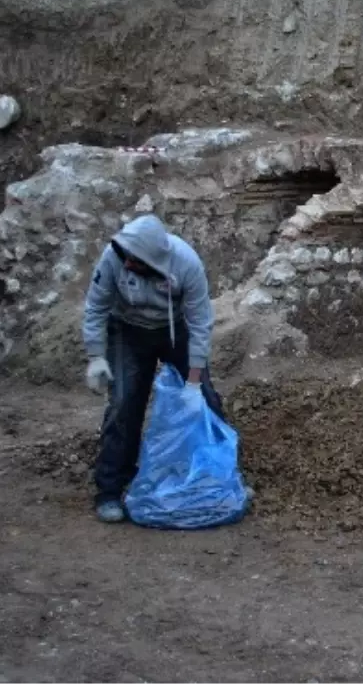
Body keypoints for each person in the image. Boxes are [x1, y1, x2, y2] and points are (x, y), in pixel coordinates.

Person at [81, 214, 223, 523]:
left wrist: (194, 380)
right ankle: (110, 489)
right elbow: (95, 307)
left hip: (176, 330)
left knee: (206, 400)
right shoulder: (114, 258)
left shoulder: (186, 263)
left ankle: (220, 478)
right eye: (126, 258)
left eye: (136, 260)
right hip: (127, 331)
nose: (128, 264)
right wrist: (95, 356)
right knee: (123, 405)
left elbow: (201, 323)